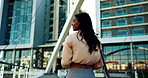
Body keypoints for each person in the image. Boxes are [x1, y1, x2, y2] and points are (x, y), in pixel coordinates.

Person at [61, 12, 103, 78]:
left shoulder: (71, 38)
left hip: (74, 73)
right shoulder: (96, 41)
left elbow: (65, 63)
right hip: (90, 74)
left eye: (74, 21)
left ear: (80, 22)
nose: (72, 24)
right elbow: (99, 64)